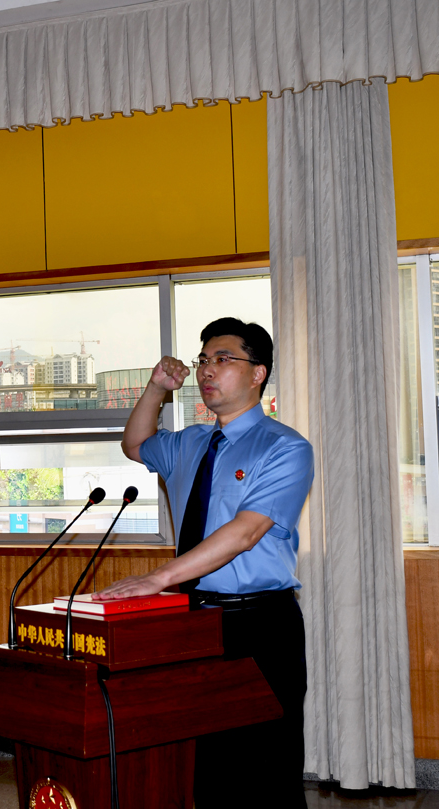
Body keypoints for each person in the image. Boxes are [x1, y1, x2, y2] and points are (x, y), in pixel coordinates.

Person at [94, 317, 314, 809]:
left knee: (266, 768)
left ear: (258, 373)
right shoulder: (191, 443)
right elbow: (135, 444)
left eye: (223, 359)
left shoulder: (285, 448)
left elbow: (246, 531)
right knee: (207, 767)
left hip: (259, 622)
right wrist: (156, 388)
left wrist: (159, 577)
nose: (206, 371)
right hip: (194, 621)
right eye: (203, 361)